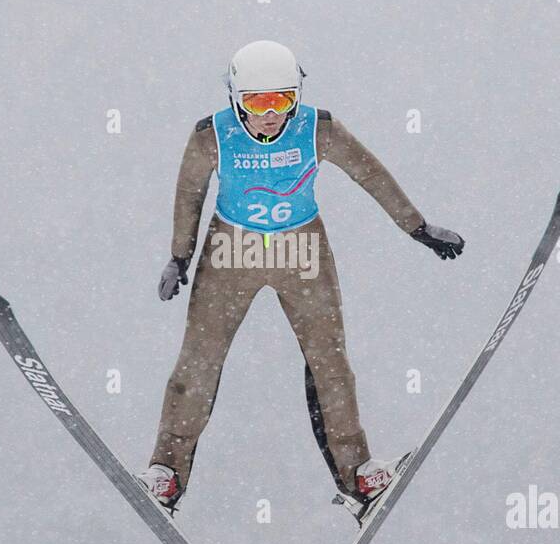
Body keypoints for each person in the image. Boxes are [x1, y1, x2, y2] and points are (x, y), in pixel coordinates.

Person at [140, 41, 464, 510]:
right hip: (232, 249)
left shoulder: (319, 128)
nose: (271, 114)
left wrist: (417, 227)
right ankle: (166, 474)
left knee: (331, 364)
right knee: (198, 361)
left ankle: (359, 478)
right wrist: (179, 257)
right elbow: (189, 194)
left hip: (302, 251)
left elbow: (370, 175)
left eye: (283, 99)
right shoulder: (211, 135)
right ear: (236, 98)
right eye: (258, 102)